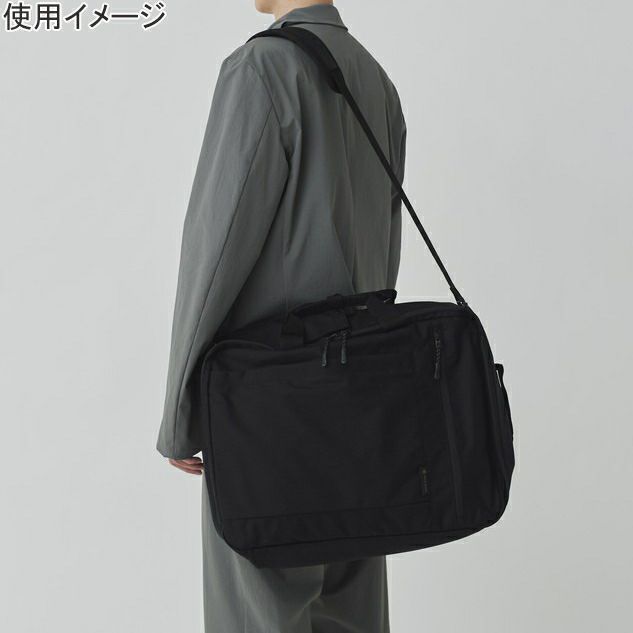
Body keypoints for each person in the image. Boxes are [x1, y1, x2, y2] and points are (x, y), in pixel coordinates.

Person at [156, 1, 406, 630]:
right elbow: (384, 247)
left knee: (257, 614)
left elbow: (215, 250)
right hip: (361, 399)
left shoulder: (262, 67)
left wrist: (181, 412)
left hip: (266, 409)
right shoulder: (376, 80)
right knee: (352, 613)